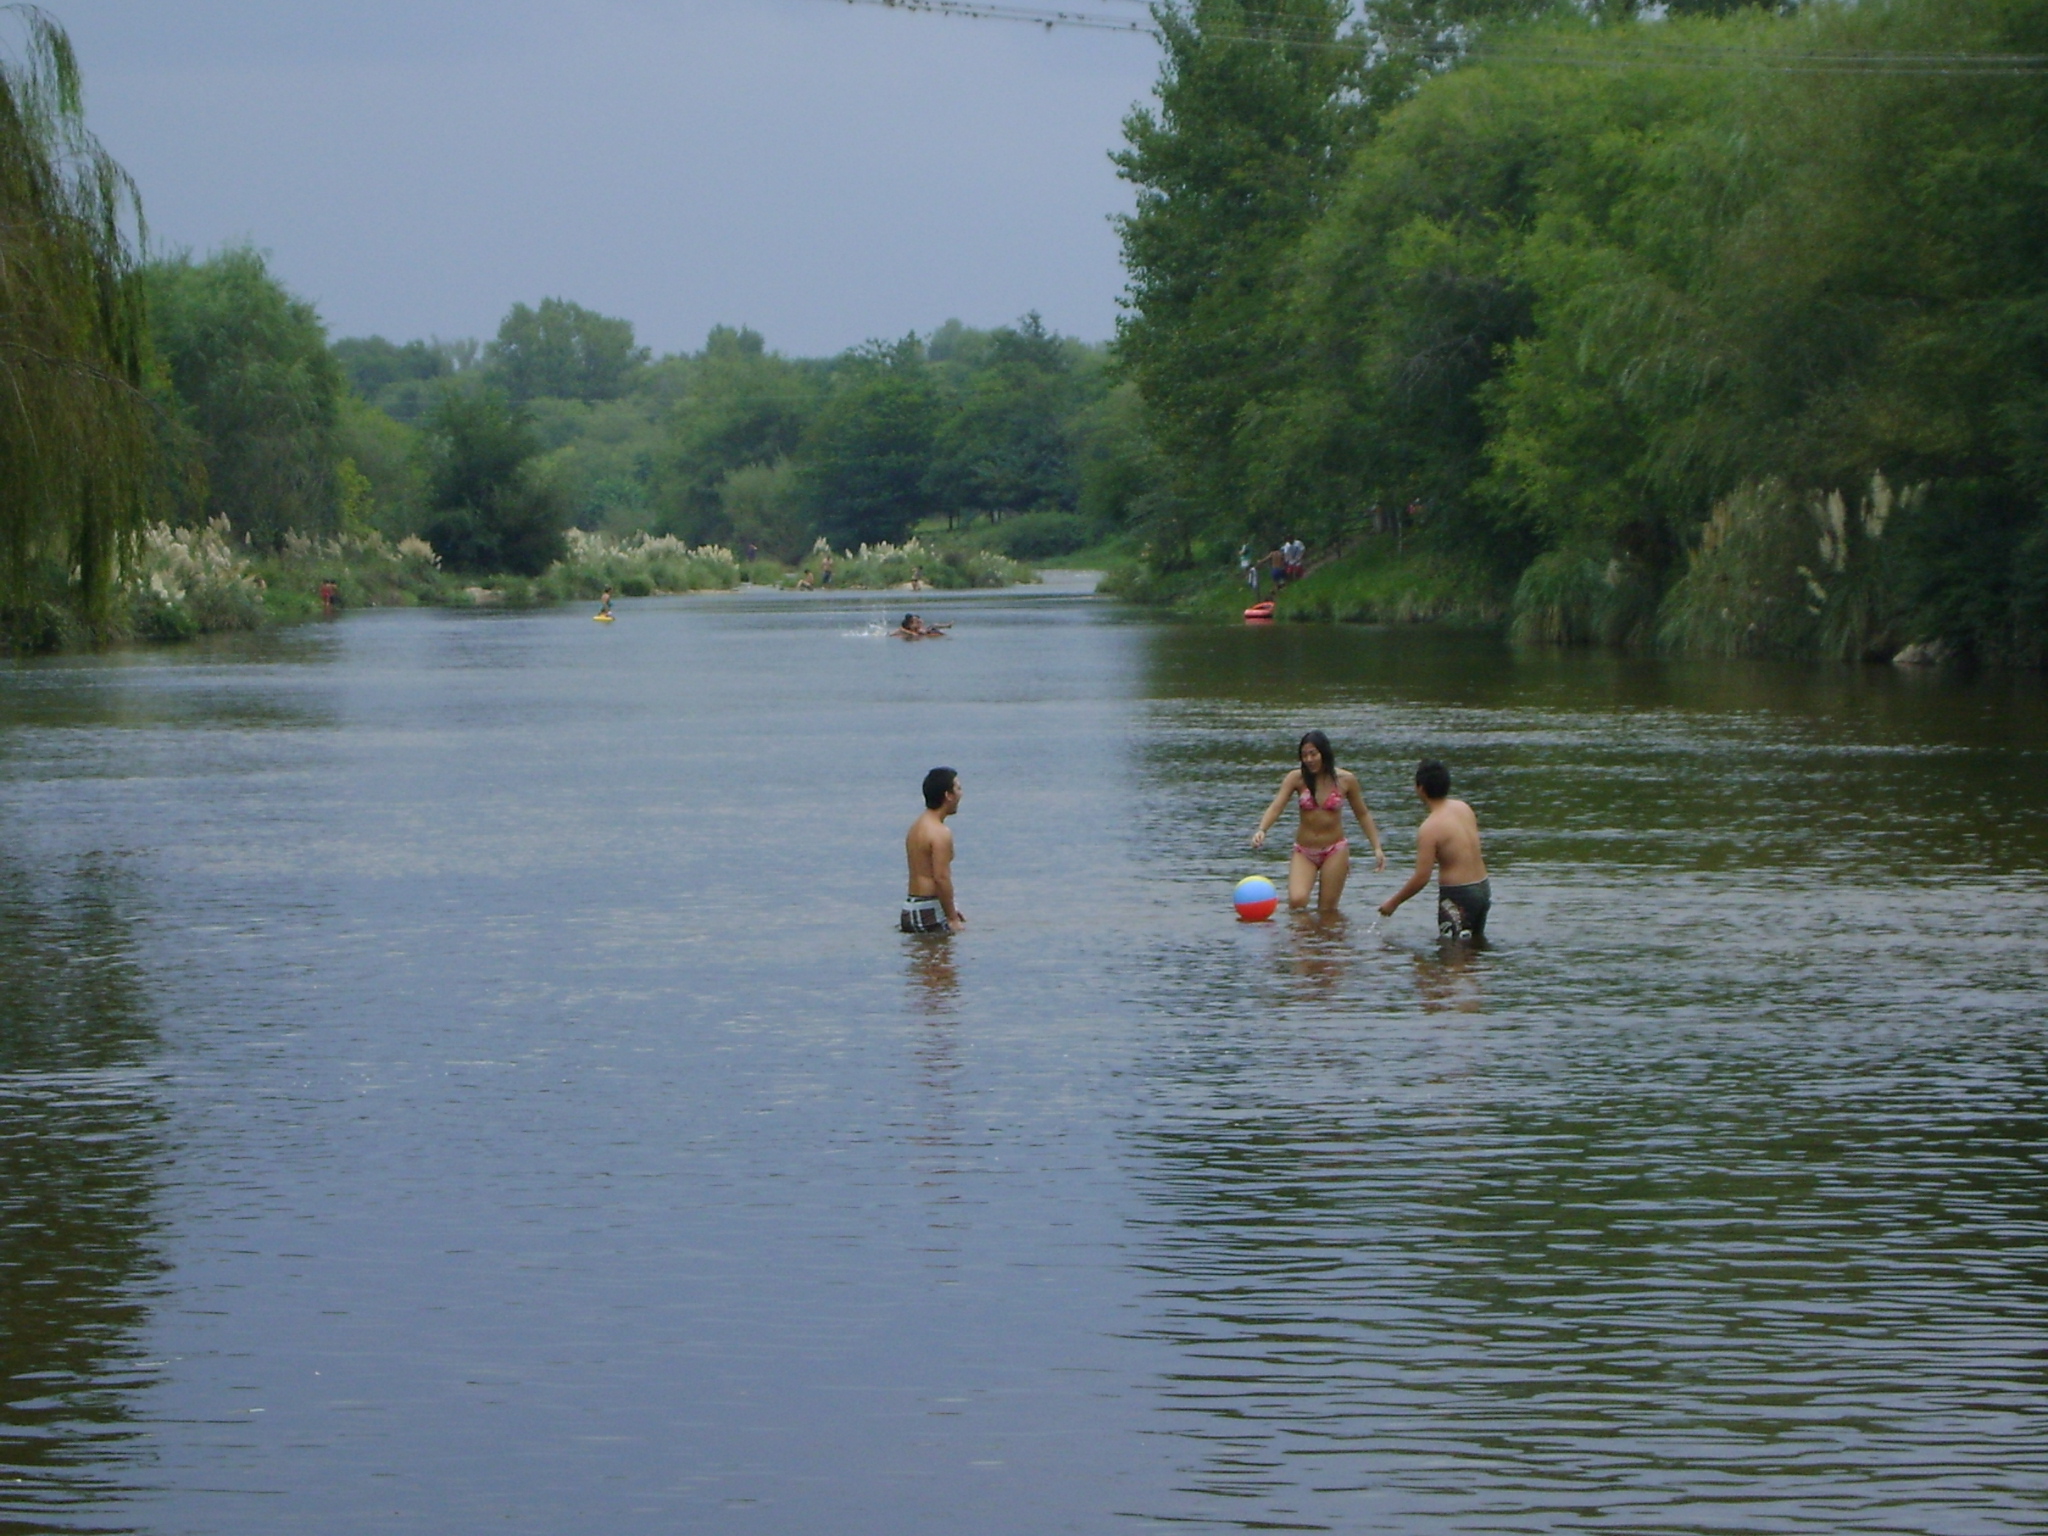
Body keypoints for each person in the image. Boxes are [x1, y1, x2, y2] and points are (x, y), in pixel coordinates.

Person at [1251, 730, 1386, 914]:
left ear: (1324, 753)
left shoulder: (1346, 780)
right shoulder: (1296, 778)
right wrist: (1262, 829)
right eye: (1304, 755)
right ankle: (1304, 941)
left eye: (1313, 754)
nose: (1309, 759)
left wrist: (1377, 847)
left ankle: (1326, 942)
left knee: (1327, 911)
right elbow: (1277, 806)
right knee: (1297, 902)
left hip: (1335, 850)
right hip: (1304, 850)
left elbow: (1362, 814)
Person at [1379, 758, 1490, 941]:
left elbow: (1422, 877)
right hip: (1483, 888)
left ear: (1420, 788)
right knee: (1474, 947)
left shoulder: (1430, 828)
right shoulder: (1464, 808)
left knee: (1452, 953)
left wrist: (1393, 903)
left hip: (1458, 896)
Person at [903, 767, 965, 934]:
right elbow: (941, 877)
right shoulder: (940, 832)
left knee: (925, 957)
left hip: (912, 907)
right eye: (958, 788)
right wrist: (952, 917)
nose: (961, 793)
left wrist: (949, 908)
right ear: (948, 795)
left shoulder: (917, 826)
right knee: (944, 959)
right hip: (928, 908)